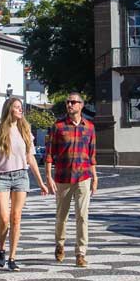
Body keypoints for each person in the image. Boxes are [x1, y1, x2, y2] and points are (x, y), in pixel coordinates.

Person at [0, 96, 52, 270]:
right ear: (9, 110)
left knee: (16, 217)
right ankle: (1, 248)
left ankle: (12, 258)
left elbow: (30, 158)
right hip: (1, 177)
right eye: (17, 107)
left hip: (21, 176)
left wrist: (41, 182)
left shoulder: (25, 130)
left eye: (21, 107)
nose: (21, 110)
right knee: (4, 218)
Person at [47, 94, 97, 267]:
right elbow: (49, 153)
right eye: (68, 102)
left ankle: (80, 253)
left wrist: (95, 176)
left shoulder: (89, 127)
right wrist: (48, 177)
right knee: (62, 216)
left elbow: (91, 155)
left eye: (73, 102)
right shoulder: (58, 127)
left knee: (82, 216)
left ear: (81, 105)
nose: (69, 104)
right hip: (63, 178)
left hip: (83, 177)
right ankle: (60, 244)